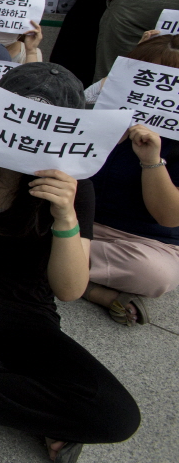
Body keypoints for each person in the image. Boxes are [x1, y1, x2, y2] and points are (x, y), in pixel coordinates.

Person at [0, 62, 141, 462]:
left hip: (20, 313)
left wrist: (65, 217)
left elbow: (70, 289)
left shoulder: (75, 188)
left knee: (115, 415)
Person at [83, 34, 179, 326]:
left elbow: (169, 216)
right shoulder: (105, 110)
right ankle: (83, 283)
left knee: (154, 274)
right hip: (73, 220)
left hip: (140, 241)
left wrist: (151, 160)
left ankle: (62, 270)